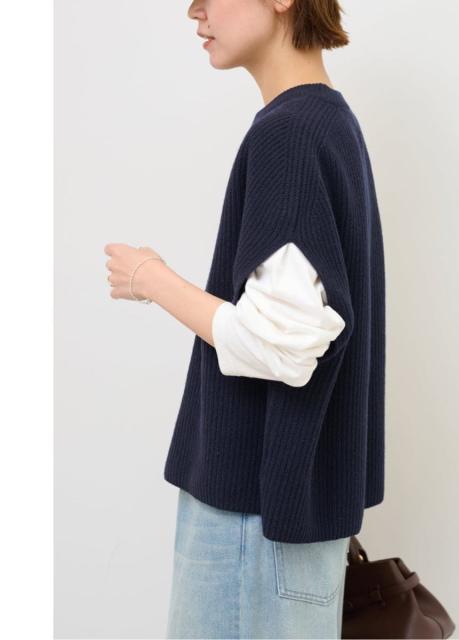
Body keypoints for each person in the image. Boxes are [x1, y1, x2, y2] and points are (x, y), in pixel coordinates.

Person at [104, 0, 386, 637]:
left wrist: (152, 279)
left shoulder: (290, 134)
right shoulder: (329, 123)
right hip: (284, 523)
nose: (194, 10)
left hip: (253, 527)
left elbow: (280, 347)